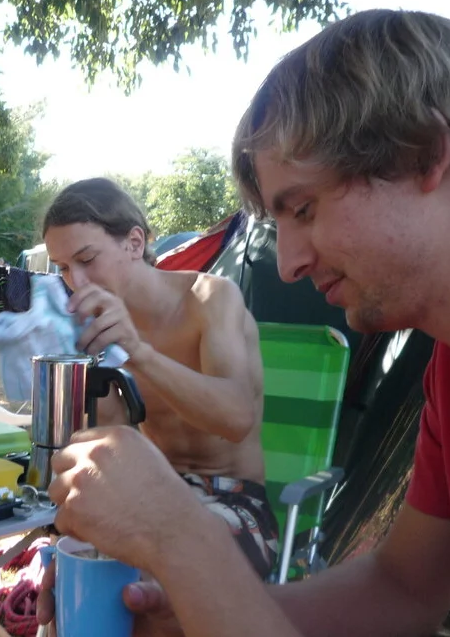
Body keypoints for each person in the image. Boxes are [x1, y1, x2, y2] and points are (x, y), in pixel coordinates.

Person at [40, 8, 450, 636]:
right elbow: (401, 589)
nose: (289, 264)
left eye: (303, 209)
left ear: (423, 154)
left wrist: (179, 540)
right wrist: (207, 600)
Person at [41, 177, 280, 578]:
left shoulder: (209, 298)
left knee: (150, 573)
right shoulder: (99, 328)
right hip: (157, 495)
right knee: (71, 565)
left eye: (86, 259)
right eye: (64, 268)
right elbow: (113, 442)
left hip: (237, 502)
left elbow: (236, 419)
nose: (74, 282)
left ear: (135, 243)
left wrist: (138, 353)